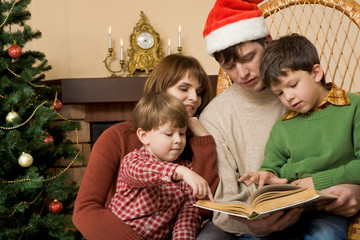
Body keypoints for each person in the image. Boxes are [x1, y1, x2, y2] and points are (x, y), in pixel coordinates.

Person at [197, 0, 360, 239]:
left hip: (320, 211)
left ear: (267, 42)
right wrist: (254, 222)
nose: (242, 74)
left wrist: (356, 190)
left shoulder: (312, 93)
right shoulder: (215, 117)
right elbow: (227, 201)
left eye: (248, 58)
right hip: (255, 222)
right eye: (230, 67)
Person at [73, 54, 219, 240]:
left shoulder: (188, 143)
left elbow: (202, 208)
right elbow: (86, 209)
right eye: (184, 88)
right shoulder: (116, 137)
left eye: (199, 92)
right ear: (160, 89)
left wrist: (204, 139)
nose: (194, 98)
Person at [239, 33, 360, 239]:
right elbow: (272, 166)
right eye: (279, 93)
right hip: (287, 212)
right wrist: (265, 175)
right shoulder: (283, 126)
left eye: (293, 85)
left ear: (316, 73)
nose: (288, 97)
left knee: (325, 235)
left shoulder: (353, 107)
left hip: (327, 211)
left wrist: (317, 182)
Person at [109, 92, 214, 239]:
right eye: (169, 134)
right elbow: (139, 172)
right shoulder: (133, 160)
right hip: (120, 234)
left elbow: (187, 216)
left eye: (182, 133)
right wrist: (179, 171)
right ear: (144, 136)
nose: (178, 140)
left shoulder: (188, 170)